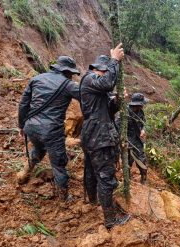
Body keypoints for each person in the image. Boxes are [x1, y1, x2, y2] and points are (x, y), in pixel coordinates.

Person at [80, 43, 130, 229]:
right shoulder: (90, 79)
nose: (104, 73)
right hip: (98, 138)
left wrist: (118, 101)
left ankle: (93, 200)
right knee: (106, 177)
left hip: (95, 135)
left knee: (93, 172)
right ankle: (110, 219)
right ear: (97, 70)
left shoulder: (97, 89)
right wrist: (115, 60)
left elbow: (107, 111)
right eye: (104, 70)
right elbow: (109, 82)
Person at [17, 56, 80, 201]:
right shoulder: (69, 85)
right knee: (58, 163)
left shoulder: (36, 79)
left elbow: (23, 104)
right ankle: (64, 198)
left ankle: (23, 174)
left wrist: (21, 126)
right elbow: (89, 98)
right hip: (51, 131)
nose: (72, 76)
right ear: (66, 71)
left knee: (39, 148)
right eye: (71, 73)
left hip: (31, 127)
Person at [125, 93, 148, 184]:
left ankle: (144, 179)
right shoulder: (125, 113)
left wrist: (143, 130)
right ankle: (127, 180)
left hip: (138, 140)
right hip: (128, 140)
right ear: (137, 104)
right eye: (142, 104)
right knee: (128, 160)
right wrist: (123, 140)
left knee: (142, 159)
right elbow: (117, 126)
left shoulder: (140, 111)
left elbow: (143, 122)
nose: (143, 105)